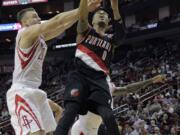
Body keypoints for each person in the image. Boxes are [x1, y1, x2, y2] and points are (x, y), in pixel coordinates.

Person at [6, 1, 101, 135]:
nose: (38, 19)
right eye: (34, 17)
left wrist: (82, 13)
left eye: (38, 16)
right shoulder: (25, 33)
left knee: (50, 132)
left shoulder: (39, 37)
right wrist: (83, 8)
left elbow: (61, 26)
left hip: (35, 90)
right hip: (21, 91)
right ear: (25, 23)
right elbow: (56, 21)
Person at [55, 1, 125, 134]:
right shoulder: (85, 31)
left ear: (109, 22)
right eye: (98, 14)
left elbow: (121, 36)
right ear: (91, 20)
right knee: (70, 111)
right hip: (80, 76)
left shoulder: (111, 40)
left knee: (108, 116)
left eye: (104, 14)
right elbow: (81, 17)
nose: (102, 15)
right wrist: (85, 3)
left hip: (99, 80)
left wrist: (115, 8)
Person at [71, 75, 166, 135]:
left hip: (93, 127)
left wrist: (151, 80)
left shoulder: (109, 88)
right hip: (82, 127)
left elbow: (129, 88)